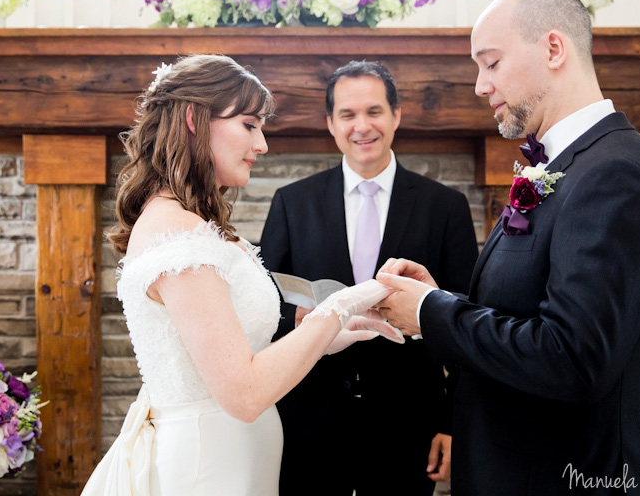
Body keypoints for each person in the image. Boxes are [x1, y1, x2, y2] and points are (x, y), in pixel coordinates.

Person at [375, 0, 640, 496]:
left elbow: (574, 357)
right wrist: (440, 298)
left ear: (553, 48)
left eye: (491, 63)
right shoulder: (569, 164)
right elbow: (527, 312)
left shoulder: (617, 175)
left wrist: (432, 312)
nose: (480, 85)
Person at [81, 55, 403, 496]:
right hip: (207, 468)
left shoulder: (189, 221)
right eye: (249, 124)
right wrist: (340, 303)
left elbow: (235, 354)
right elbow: (245, 393)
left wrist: (327, 337)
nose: (263, 143)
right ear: (195, 118)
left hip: (235, 463)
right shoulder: (176, 231)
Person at [260, 60, 479, 495]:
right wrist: (302, 318)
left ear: (396, 115)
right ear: (330, 123)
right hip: (309, 419)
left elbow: (465, 320)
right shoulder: (292, 202)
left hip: (408, 422)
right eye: (348, 114)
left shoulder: (445, 207)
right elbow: (266, 306)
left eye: (374, 111)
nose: (362, 126)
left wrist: (452, 424)